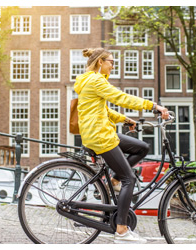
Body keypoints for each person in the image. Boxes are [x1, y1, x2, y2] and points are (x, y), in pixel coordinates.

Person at [74, 48, 169, 244]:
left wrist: (125, 119)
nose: (113, 65)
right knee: (130, 179)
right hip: (100, 136)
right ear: (100, 62)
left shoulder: (89, 80)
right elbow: (121, 98)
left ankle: (115, 181)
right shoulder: (96, 80)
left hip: (98, 132)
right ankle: (122, 230)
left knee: (142, 147)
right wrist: (154, 106)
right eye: (111, 62)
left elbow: (103, 109)